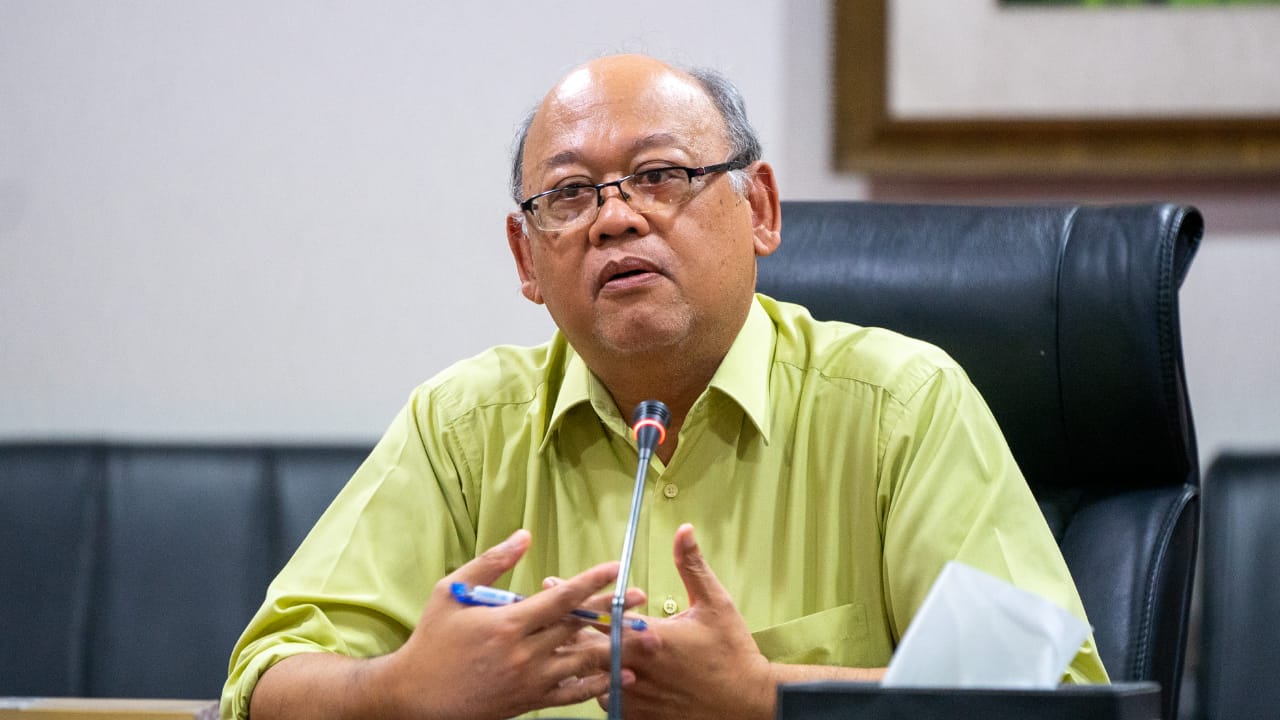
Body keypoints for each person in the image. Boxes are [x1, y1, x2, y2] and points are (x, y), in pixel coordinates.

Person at [221, 54, 1107, 720]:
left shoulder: (901, 407)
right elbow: (262, 685)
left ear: (759, 209)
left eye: (660, 176)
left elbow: (1051, 700)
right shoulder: (463, 428)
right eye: (570, 195)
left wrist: (765, 696)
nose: (615, 218)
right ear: (526, 259)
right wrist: (405, 692)